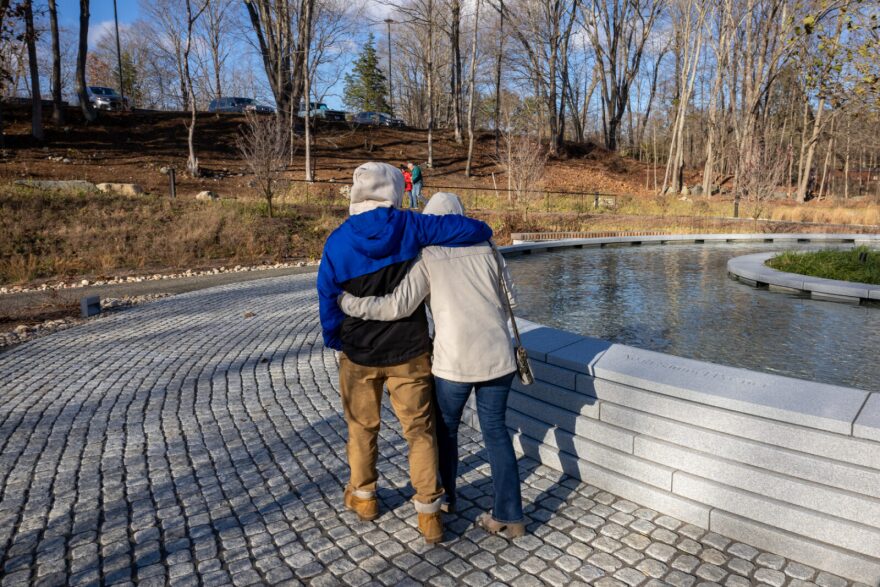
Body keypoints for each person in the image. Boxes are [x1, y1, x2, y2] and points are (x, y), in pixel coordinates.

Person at [317, 164, 494, 544]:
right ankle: (429, 513)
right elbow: (471, 229)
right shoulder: (412, 225)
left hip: (358, 353)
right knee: (419, 432)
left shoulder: (337, 241)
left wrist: (336, 339)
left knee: (361, 428)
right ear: (396, 190)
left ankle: (364, 498)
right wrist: (484, 231)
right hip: (410, 353)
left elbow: (327, 299)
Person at [338, 192, 526, 538]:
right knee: (497, 434)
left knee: (443, 432)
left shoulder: (429, 256)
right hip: (498, 359)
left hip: (453, 363)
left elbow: (396, 306)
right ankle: (510, 516)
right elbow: (511, 300)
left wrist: (350, 304)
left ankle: (447, 501)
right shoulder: (489, 248)